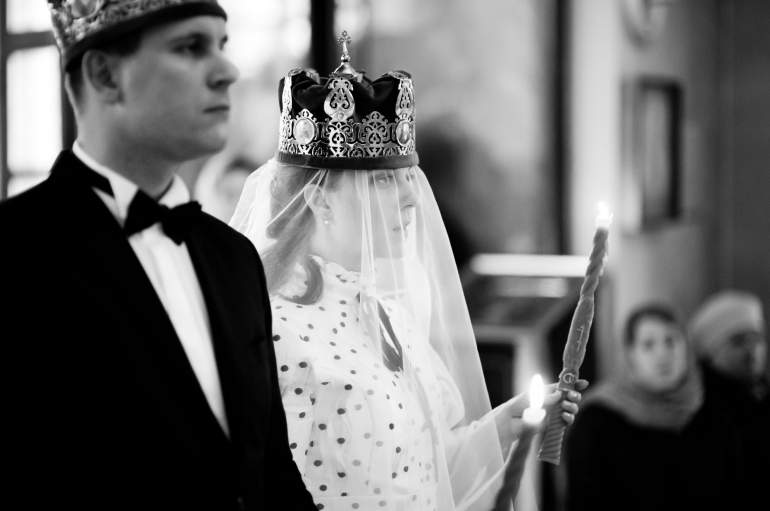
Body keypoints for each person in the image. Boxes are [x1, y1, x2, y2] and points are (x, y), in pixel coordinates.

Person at [231, 37, 586, 510]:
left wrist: (506, 426)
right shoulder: (277, 329)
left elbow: (428, 474)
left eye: (405, 178)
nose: (410, 197)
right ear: (319, 200)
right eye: (382, 179)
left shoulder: (387, 313)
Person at [0, 1, 315, 509]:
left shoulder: (235, 257)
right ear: (105, 76)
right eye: (190, 47)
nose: (227, 71)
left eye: (222, 44)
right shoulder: (13, 253)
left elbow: (273, 471)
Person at [564, 304, 744, 511]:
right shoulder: (598, 420)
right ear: (630, 354)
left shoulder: (715, 409)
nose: (662, 354)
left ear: (686, 346)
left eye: (671, 341)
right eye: (648, 345)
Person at [689, 290, 769, 506]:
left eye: (757, 339)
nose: (752, 351)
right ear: (712, 352)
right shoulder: (700, 409)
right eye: (738, 342)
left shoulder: (759, 395)